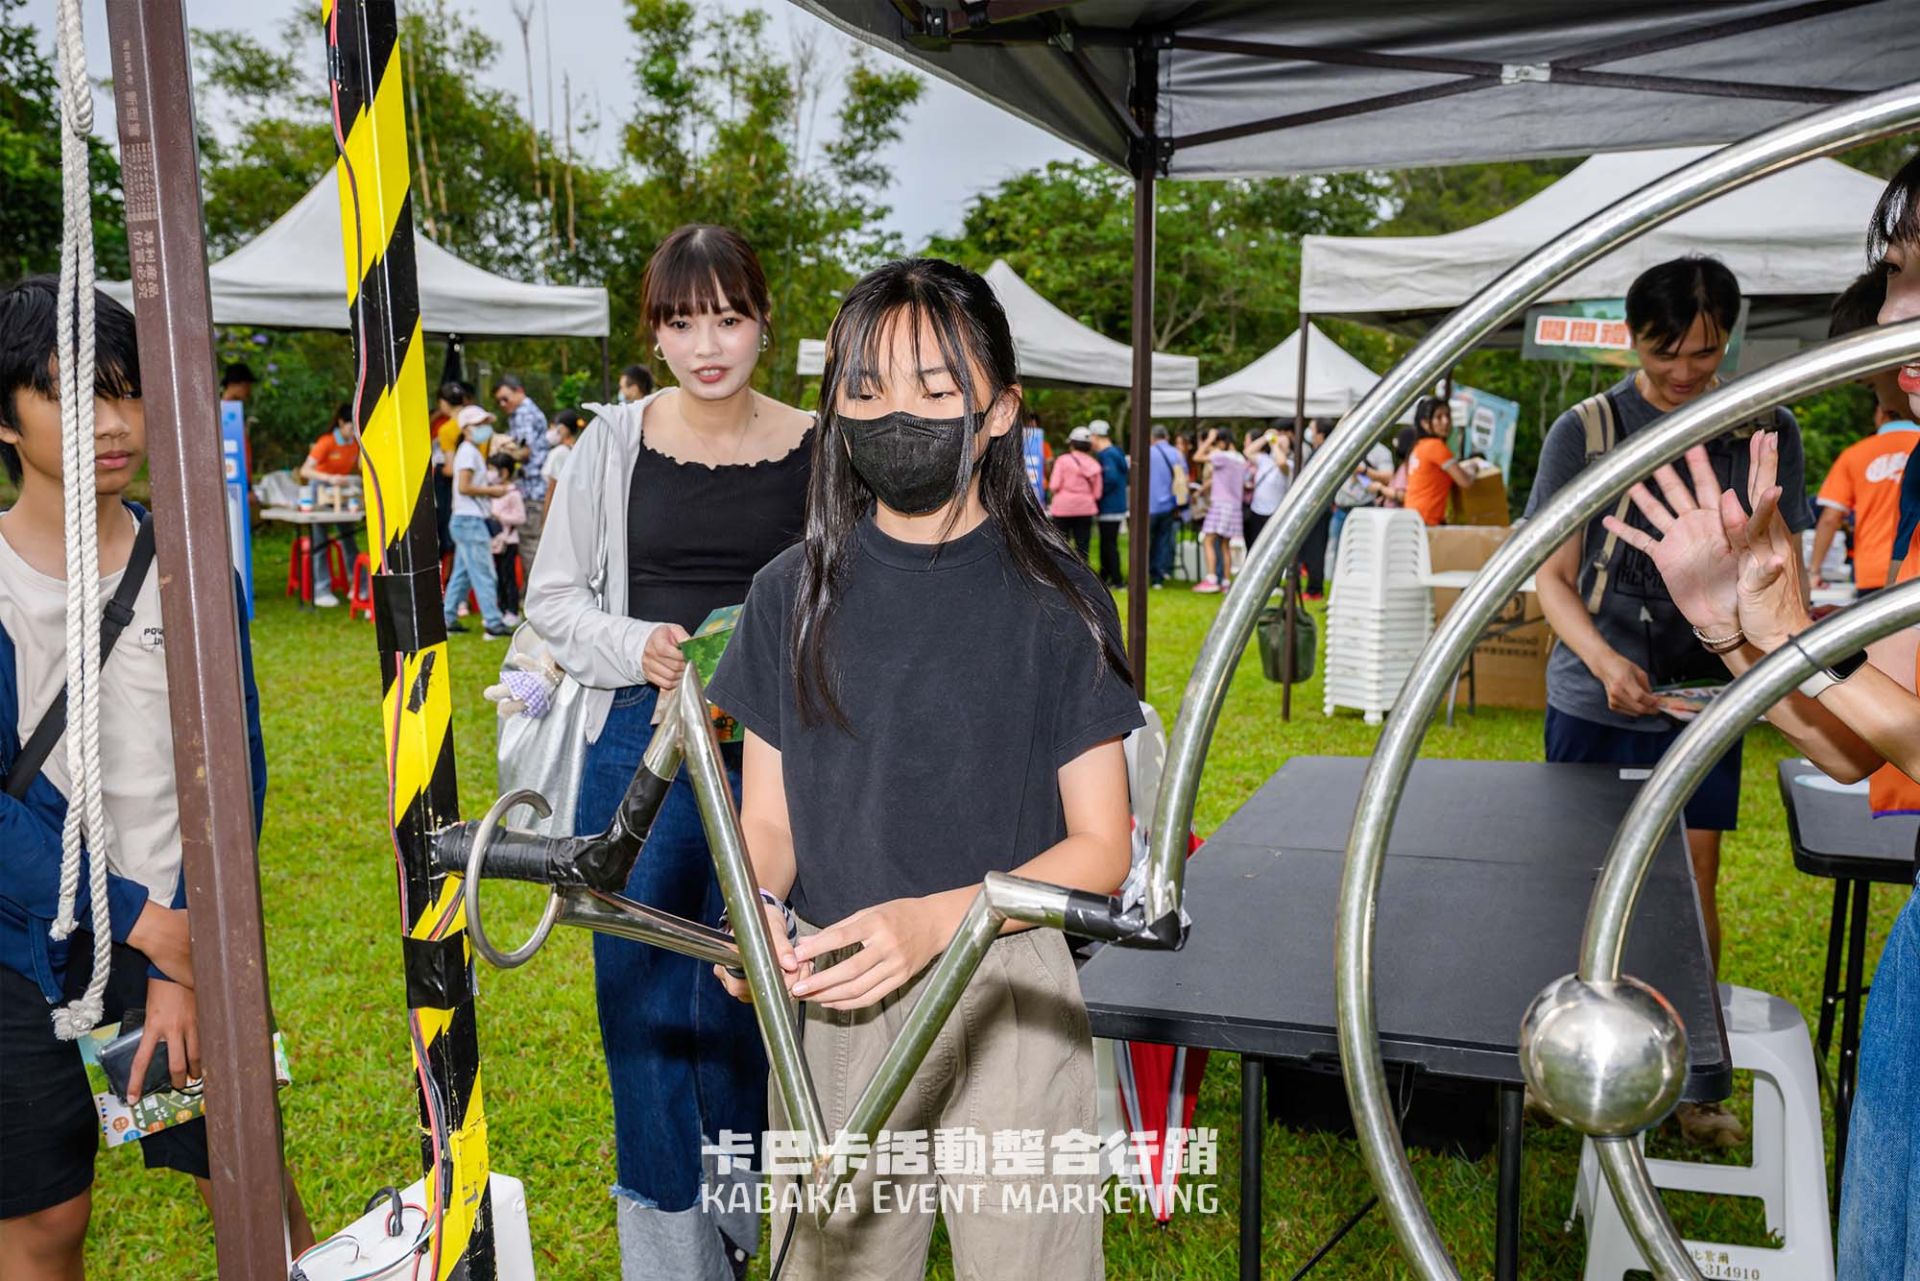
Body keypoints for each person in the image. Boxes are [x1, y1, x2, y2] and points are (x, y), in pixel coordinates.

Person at [705, 256, 1139, 1281]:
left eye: (936, 391)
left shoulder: (1059, 601)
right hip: (839, 984)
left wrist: (941, 920)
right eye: (866, 391)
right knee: (836, 1260)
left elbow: (1102, 848)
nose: (896, 416)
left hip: (1011, 986)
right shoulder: (788, 593)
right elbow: (768, 821)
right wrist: (752, 906)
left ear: (1000, 412)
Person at [0, 278, 313, 1271]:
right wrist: (143, 923)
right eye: (70, 394)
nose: (111, 421)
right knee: (45, 1219)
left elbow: (235, 768)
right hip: (23, 952)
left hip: (184, 930)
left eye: (126, 390)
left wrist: (182, 952)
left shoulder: (192, 565)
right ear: (5, 419)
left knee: (248, 1180)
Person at [524, 223, 812, 1281]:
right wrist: (636, 642)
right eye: (683, 323)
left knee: (752, 998)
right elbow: (553, 598)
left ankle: (741, 1234)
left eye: (728, 319)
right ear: (654, 331)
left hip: (781, 765)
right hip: (639, 758)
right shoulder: (611, 444)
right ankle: (667, 1258)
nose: (707, 345)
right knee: (641, 1008)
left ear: (764, 323)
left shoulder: (822, 446)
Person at [1526, 254, 1812, 1148]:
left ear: (1730, 338)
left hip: (1706, 700)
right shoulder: (1589, 430)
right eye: (1664, 354)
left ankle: (1692, 1081)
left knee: (1691, 883)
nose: (1685, 372)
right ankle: (1567, 1064)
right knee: (1584, 881)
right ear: (1632, 338)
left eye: (1705, 352)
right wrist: (1605, 659)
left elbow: (1786, 570)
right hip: (1593, 692)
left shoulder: (1765, 427)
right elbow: (1551, 577)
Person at [1811, 271, 1920, 594]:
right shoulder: (1915, 457)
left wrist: (1813, 571)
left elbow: (1830, 517)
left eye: (1872, 386)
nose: (1884, 404)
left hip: (1870, 576)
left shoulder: (1856, 455)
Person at [446, 404, 513, 639]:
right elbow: (464, 487)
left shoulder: (470, 451)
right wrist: (492, 492)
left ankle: (447, 618)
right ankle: (493, 623)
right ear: (466, 428)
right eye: (479, 424)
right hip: (470, 521)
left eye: (485, 423)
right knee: (484, 573)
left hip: (465, 520)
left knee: (463, 574)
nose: (485, 428)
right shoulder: (468, 452)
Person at [298, 402, 362, 608]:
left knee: (349, 540)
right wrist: (329, 478)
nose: (353, 432)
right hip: (320, 494)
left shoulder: (355, 444)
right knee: (320, 542)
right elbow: (305, 471)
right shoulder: (326, 442)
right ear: (341, 423)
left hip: (341, 496)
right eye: (351, 427)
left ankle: (357, 586)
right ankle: (321, 590)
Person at [491, 374, 551, 573]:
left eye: (505, 398)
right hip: (534, 489)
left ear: (519, 391)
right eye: (499, 401)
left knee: (530, 544)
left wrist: (501, 451)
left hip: (533, 490)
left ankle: (535, 590)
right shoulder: (524, 411)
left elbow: (525, 451)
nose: (502, 404)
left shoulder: (523, 413)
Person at [1402, 396, 1473, 526]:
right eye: (1439, 417)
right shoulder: (1435, 446)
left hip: (1413, 517)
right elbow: (1465, 481)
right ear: (1425, 423)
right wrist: (1473, 469)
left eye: (1448, 415)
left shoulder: (1419, 446)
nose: (1446, 421)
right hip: (1426, 520)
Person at [1194, 426, 1246, 594]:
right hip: (1234, 506)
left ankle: (1211, 579)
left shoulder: (1222, 457)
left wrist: (1209, 439)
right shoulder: (1240, 459)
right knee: (1225, 544)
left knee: (1208, 540)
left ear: (1222, 442)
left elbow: (1197, 457)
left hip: (1220, 504)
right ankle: (1226, 581)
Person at [1047, 425, 1102, 562]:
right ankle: (1083, 573)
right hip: (1085, 509)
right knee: (1083, 546)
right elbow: (1097, 494)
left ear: (1072, 444)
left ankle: (1062, 572)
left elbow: (1054, 485)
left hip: (1062, 509)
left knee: (1061, 545)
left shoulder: (1062, 460)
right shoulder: (1094, 464)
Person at [1089, 419, 1129, 588]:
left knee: (1108, 544)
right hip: (1117, 504)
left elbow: (1110, 479)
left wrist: (1095, 494)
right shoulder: (1117, 452)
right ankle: (1105, 577)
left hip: (1109, 506)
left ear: (1096, 436)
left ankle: (1117, 580)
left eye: (1091, 437)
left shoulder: (1107, 455)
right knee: (1107, 543)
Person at [1146, 424, 1187, 587]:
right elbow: (1183, 479)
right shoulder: (1176, 454)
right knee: (1163, 541)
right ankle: (1158, 576)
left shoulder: (1146, 452)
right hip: (1169, 505)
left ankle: (1143, 572)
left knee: (1146, 541)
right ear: (1167, 437)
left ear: (1152, 437)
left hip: (1148, 505)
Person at [488, 451, 525, 627]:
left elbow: (520, 518)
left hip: (508, 541)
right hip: (494, 541)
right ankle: (502, 609)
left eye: (493, 469)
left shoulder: (513, 493)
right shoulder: (492, 491)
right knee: (497, 577)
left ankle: (512, 610)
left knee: (508, 577)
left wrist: (500, 517)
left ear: (504, 472)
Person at [1243, 426, 1290, 554]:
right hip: (1257, 511)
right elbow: (1247, 451)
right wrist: (1266, 437)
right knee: (1254, 549)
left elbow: (1281, 463)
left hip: (1274, 513)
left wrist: (1275, 445)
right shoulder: (1264, 460)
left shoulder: (1289, 464)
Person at [543, 407, 586, 488]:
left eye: (553, 427)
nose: (550, 431)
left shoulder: (558, 453)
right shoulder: (581, 451)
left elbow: (552, 487)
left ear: (563, 429)